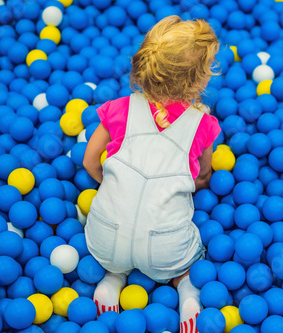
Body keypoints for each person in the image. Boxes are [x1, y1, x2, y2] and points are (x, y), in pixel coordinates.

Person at [82, 15, 221, 332]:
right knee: (188, 263)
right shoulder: (204, 125)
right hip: (166, 251)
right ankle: (186, 289)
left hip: (104, 237)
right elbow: (203, 178)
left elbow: (90, 161)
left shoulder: (119, 108)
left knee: (119, 248)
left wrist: (114, 185)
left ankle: (113, 276)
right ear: (200, 81)